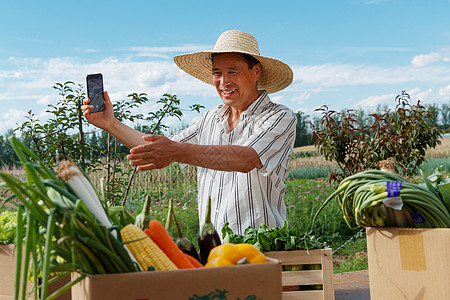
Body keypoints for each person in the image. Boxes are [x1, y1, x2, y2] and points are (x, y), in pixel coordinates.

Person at [83, 30, 297, 235]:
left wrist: (177, 152)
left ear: (256, 71)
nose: (224, 82)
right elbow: (159, 148)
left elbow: (245, 158)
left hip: (260, 248)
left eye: (233, 72)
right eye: (217, 73)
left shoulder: (279, 117)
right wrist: (110, 123)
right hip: (214, 249)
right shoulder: (210, 119)